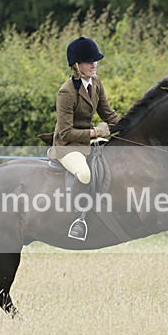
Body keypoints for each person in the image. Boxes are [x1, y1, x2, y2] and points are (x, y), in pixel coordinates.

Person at [51, 36, 120, 239]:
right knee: (84, 174)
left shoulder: (96, 83)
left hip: (87, 143)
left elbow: (109, 114)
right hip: (67, 146)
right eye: (89, 61)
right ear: (77, 65)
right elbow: (65, 132)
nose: (94, 64)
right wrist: (96, 132)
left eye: (95, 60)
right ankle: (78, 219)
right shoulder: (66, 92)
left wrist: (131, 125)